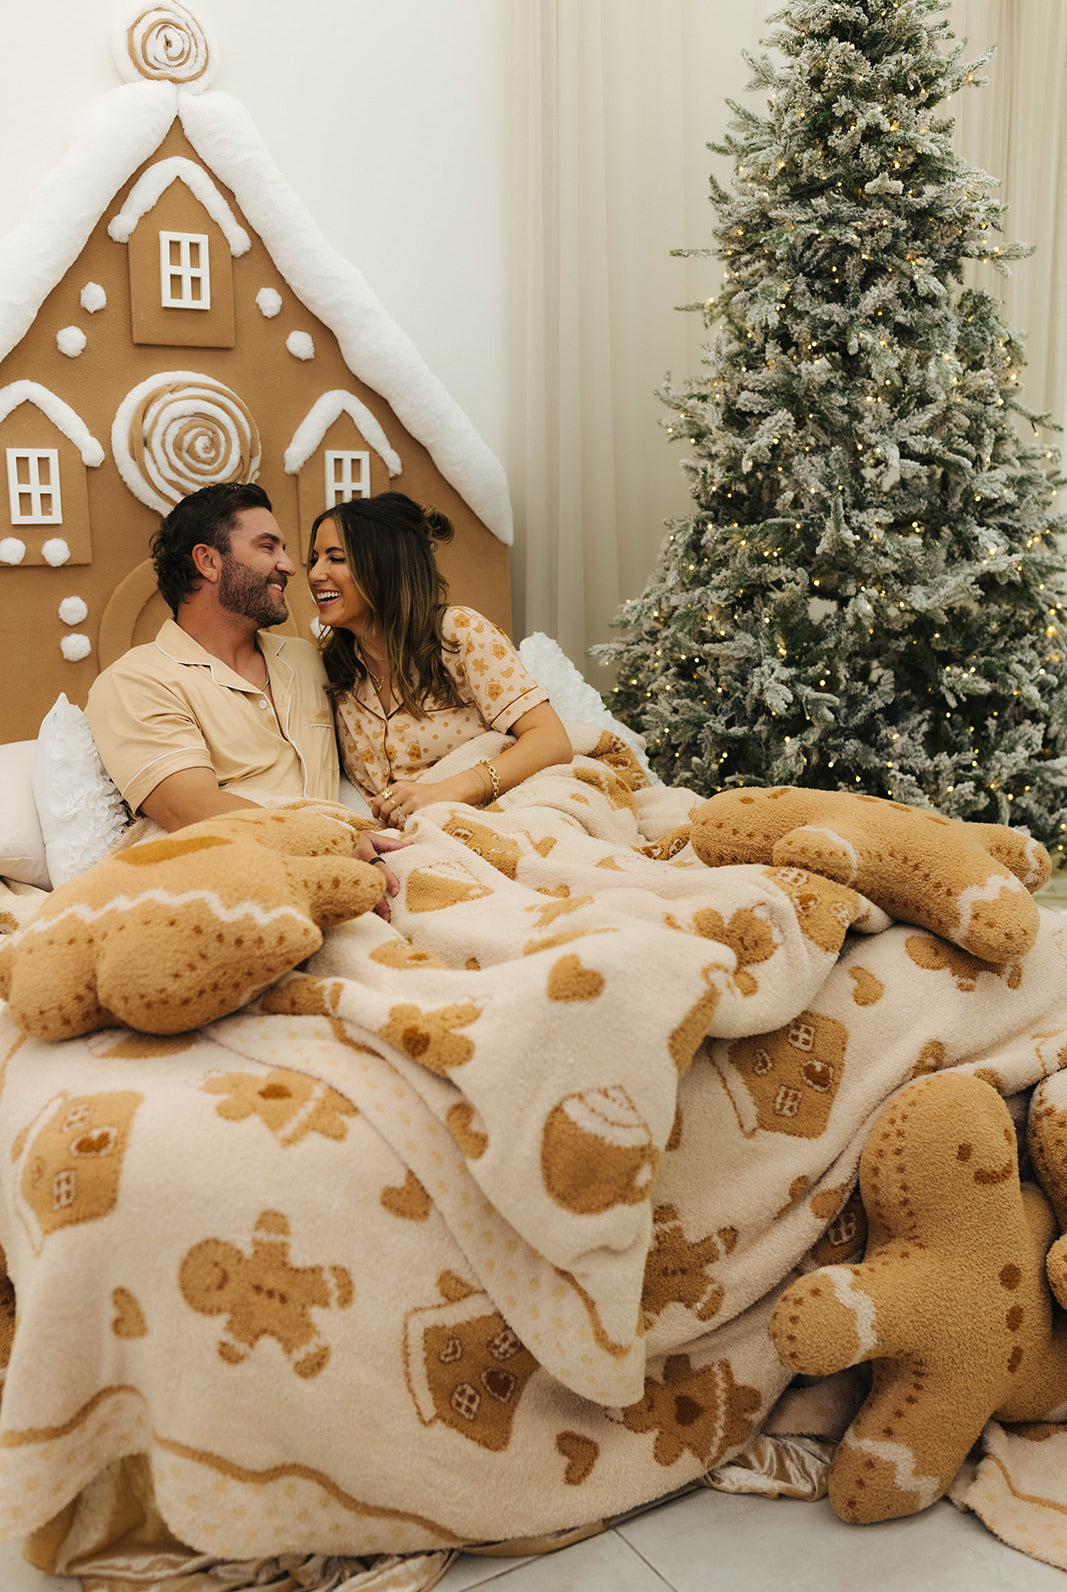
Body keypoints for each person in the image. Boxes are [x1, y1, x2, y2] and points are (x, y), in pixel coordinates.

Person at [87, 481, 407, 908]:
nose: (291, 566)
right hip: (239, 880)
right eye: (267, 547)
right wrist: (327, 843)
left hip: (360, 860)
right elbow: (189, 809)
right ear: (208, 561)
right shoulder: (136, 681)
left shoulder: (308, 660)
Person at [306, 492, 573, 826]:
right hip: (416, 837)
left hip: (505, 813)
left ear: (385, 564)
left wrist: (447, 790)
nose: (315, 574)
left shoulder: (458, 634)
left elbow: (552, 741)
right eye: (314, 559)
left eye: (336, 558)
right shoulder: (331, 668)